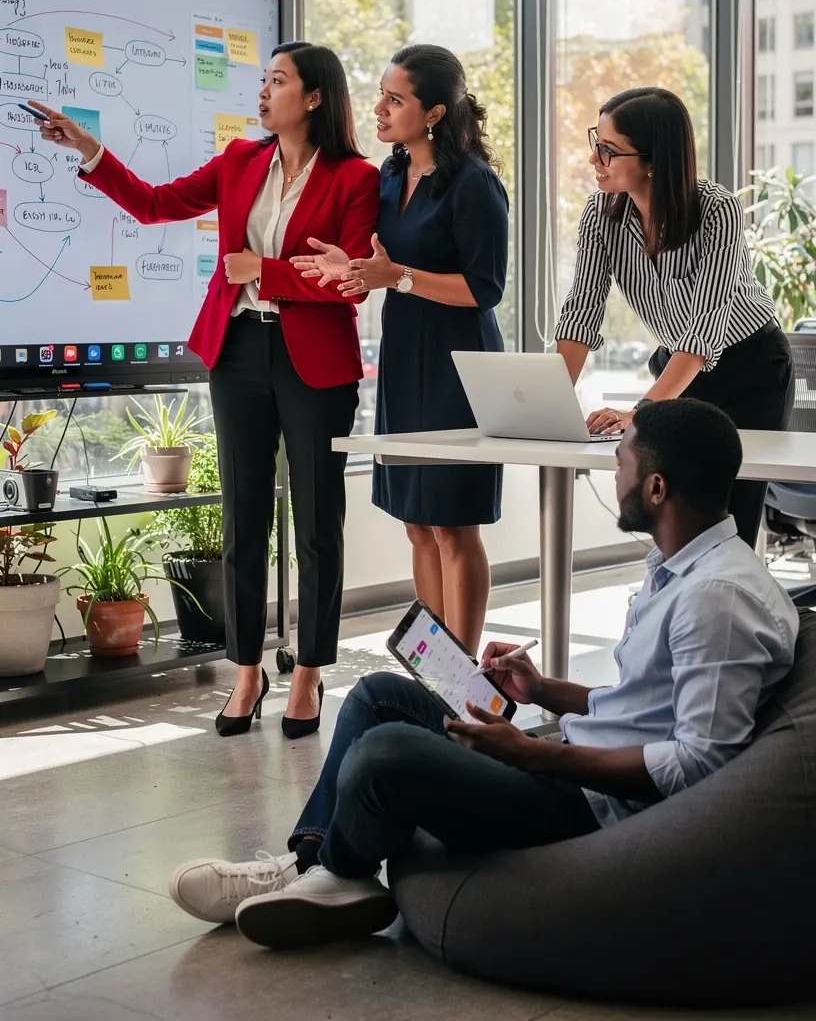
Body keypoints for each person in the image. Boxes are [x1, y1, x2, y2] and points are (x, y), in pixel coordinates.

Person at [168, 399, 798, 949]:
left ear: (657, 489)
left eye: (623, 464)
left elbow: (695, 766)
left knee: (386, 754)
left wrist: (531, 755)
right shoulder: (681, 565)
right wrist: (544, 689)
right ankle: (317, 867)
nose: (614, 473)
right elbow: (647, 704)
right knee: (378, 696)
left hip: (585, 808)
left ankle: (331, 873)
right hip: (573, 762)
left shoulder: (718, 599)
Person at [31, 42, 380, 740]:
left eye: (276, 81)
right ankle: (246, 671)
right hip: (238, 349)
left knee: (316, 525)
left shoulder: (356, 177)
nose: (262, 92)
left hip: (316, 359)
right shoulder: (240, 163)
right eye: (261, 80)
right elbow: (156, 204)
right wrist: (92, 149)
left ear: (313, 98)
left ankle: (309, 672)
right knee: (244, 516)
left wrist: (265, 269)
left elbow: (347, 276)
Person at [290, 44, 509, 654]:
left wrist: (400, 278)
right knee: (416, 522)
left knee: (453, 526)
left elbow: (484, 289)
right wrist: (352, 266)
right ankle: (437, 670)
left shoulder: (476, 184)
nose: (380, 109)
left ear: (434, 111)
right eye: (381, 94)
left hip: (458, 365)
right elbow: (380, 261)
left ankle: (465, 682)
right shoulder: (389, 174)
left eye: (396, 99)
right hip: (404, 358)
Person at [554, 86, 793, 547]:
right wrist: (548, 405)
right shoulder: (600, 215)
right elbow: (582, 309)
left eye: (609, 150)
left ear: (653, 159)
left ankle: (733, 616)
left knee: (731, 525)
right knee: (672, 516)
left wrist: (641, 414)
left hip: (749, 371)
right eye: (595, 143)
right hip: (677, 370)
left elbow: (704, 327)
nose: (594, 160)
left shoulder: (716, 209)